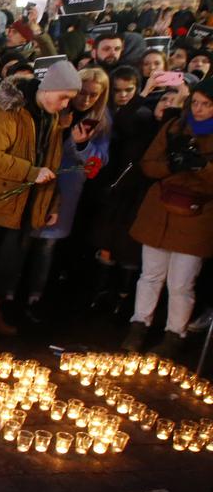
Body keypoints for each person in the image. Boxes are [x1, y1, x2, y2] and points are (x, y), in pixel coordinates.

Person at [0, 60, 78, 335]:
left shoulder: (51, 118)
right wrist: (30, 172)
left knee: (6, 266)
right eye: (64, 97)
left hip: (23, 206)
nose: (65, 105)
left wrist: (52, 201)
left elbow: (53, 161)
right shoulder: (9, 114)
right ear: (49, 89)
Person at [122, 78, 213, 357]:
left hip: (197, 215)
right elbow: (148, 164)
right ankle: (138, 326)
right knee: (150, 275)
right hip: (160, 210)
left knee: (181, 282)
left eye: (207, 105)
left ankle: (175, 334)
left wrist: (202, 167)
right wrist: (172, 165)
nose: (198, 109)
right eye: (195, 102)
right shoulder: (175, 126)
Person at [23, 67, 111, 321]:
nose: (85, 99)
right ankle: (8, 295)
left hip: (68, 185)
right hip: (37, 180)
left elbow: (99, 160)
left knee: (47, 247)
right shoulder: (55, 110)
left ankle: (34, 298)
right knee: (23, 241)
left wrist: (81, 143)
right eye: (81, 93)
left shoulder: (101, 120)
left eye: (93, 95)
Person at [91, 66, 159, 314]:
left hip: (135, 192)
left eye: (129, 90)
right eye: (118, 90)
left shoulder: (144, 113)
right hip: (110, 189)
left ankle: (120, 298)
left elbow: (127, 122)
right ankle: (100, 294)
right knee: (106, 243)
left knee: (128, 248)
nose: (123, 95)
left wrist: (147, 95)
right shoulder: (105, 111)